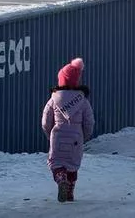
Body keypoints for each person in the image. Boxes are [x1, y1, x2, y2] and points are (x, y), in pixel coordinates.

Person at [41, 58, 95, 203]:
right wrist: (84, 136)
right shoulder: (83, 101)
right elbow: (89, 122)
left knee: (56, 163)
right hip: (76, 138)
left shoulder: (53, 100)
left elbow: (46, 121)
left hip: (57, 136)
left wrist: (49, 134)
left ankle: (60, 179)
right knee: (72, 165)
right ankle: (69, 192)